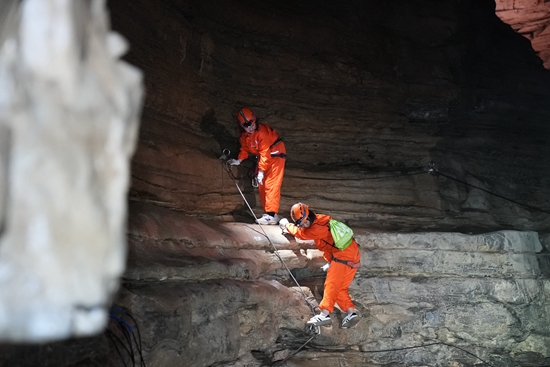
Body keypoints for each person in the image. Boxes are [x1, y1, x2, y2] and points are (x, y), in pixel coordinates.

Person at [279, 202, 361, 329]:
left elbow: (299, 234)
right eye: (302, 223)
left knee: (331, 285)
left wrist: (286, 225)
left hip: (343, 257)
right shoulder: (321, 219)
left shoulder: (315, 229)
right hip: (353, 254)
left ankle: (324, 314)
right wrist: (329, 261)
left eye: (305, 221)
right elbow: (329, 243)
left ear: (309, 215)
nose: (305, 225)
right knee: (340, 288)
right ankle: (351, 313)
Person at [227, 107, 286, 225]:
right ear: (242, 126)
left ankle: (271, 215)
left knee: (271, 185)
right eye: (247, 126)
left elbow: (264, 152)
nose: (250, 127)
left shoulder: (262, 133)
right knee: (262, 186)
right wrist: (239, 160)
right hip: (265, 159)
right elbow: (244, 148)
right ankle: (270, 214)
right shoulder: (245, 135)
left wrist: (261, 171)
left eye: (252, 124)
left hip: (276, 157)